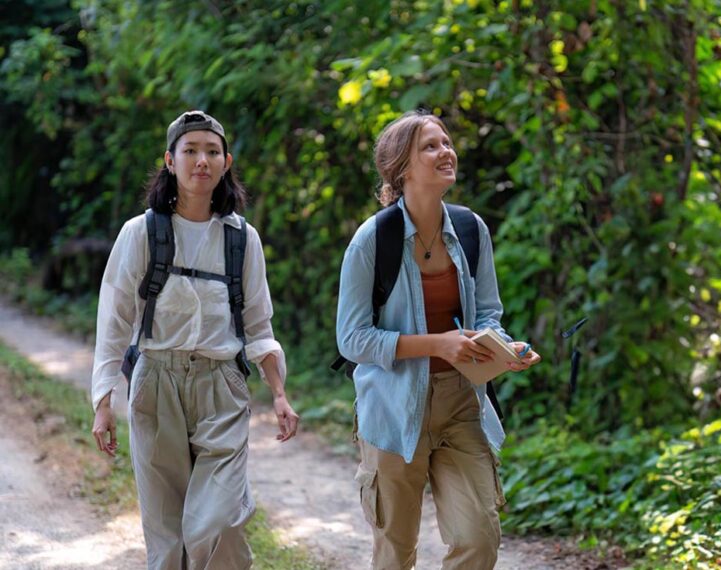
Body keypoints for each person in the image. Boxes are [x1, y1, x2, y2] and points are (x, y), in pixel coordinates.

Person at [90, 110, 299, 569]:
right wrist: (102, 400)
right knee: (165, 536)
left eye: (211, 151)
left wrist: (279, 394)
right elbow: (115, 321)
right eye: (190, 151)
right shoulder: (140, 233)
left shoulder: (242, 239)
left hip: (221, 384)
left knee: (218, 522)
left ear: (226, 162)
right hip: (155, 383)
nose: (201, 160)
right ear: (170, 160)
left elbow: (259, 325)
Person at [336, 110, 541, 570]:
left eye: (446, 142)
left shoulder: (470, 230)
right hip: (391, 407)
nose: (445, 151)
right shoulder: (372, 240)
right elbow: (351, 339)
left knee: (478, 539)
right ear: (402, 168)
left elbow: (488, 313)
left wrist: (505, 349)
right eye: (430, 146)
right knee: (395, 553)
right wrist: (437, 344)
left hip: (462, 402)